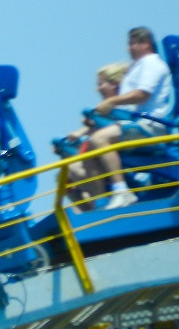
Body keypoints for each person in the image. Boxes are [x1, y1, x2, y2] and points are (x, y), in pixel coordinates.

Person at [65, 27, 175, 210]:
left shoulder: (152, 64)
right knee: (90, 152)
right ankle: (101, 203)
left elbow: (142, 95)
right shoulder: (137, 67)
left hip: (150, 126)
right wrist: (98, 117)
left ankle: (122, 190)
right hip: (132, 123)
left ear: (145, 43)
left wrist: (112, 101)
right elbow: (128, 107)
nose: (129, 49)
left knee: (100, 139)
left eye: (132, 44)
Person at [61, 62, 129, 209]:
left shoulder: (122, 104)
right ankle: (89, 209)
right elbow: (90, 128)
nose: (97, 88)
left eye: (101, 84)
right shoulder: (103, 109)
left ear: (114, 84)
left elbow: (114, 124)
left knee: (86, 158)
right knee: (65, 175)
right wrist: (77, 134)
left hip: (118, 142)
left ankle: (101, 201)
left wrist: (91, 124)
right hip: (100, 144)